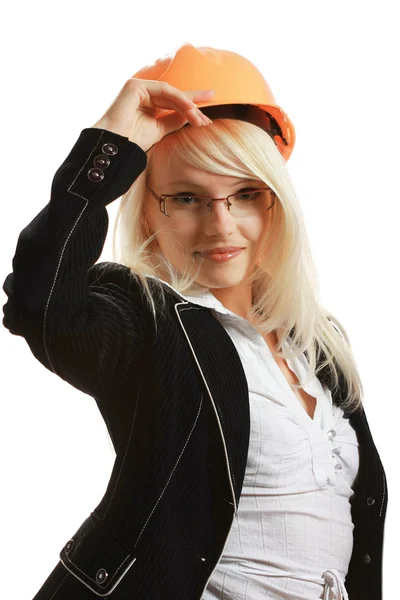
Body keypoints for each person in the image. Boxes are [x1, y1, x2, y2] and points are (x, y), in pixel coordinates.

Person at [2, 43, 387, 600]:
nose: (220, 226)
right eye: (187, 198)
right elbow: (39, 304)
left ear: (275, 200)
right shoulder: (150, 322)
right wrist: (109, 150)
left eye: (245, 195)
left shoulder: (318, 346)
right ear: (148, 206)